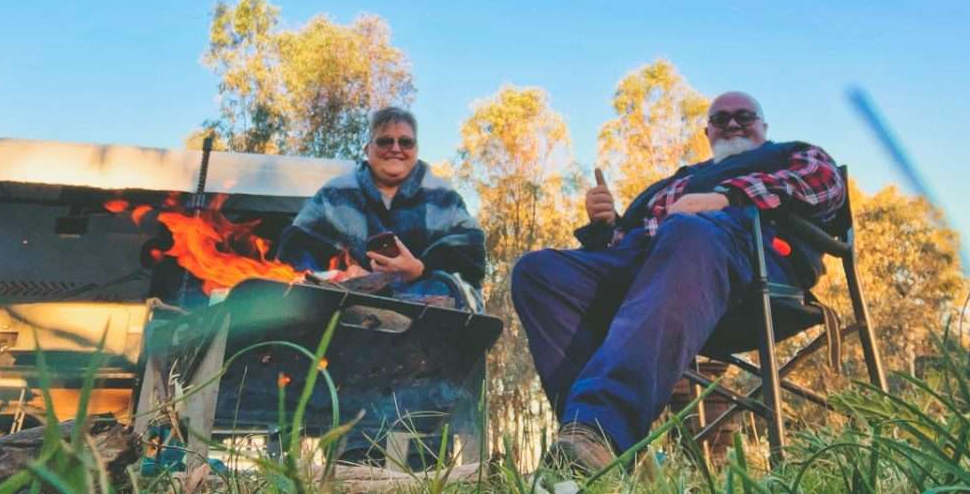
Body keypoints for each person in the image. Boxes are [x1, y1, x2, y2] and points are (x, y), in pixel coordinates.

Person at [511, 91, 846, 472]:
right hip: (652, 272)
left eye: (744, 116)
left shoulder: (790, 154)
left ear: (764, 125)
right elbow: (622, 243)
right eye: (720, 120)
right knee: (538, 273)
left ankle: (602, 430)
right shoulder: (676, 181)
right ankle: (591, 443)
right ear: (707, 132)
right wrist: (605, 226)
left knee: (689, 231)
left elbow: (825, 185)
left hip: (745, 256)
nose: (732, 124)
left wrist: (726, 197)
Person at [277, 106, 486, 309]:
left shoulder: (444, 197)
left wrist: (419, 269)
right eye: (385, 141)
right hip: (348, 307)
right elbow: (294, 247)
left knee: (443, 289)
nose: (396, 148)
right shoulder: (335, 194)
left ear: (416, 150)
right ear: (368, 149)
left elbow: (471, 254)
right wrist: (343, 273)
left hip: (424, 311)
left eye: (405, 142)